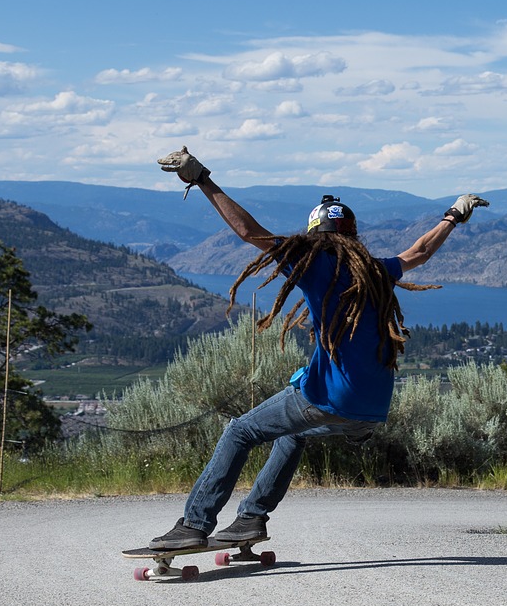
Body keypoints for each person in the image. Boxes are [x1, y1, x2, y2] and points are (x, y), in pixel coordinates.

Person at [148, 146, 488, 549]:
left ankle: (194, 524)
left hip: (330, 400)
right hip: (373, 409)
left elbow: (248, 231)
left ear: (313, 237)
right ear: (353, 236)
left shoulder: (312, 266)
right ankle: (251, 520)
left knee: (239, 432)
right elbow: (420, 252)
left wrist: (202, 179)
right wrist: (452, 215)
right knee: (292, 434)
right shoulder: (377, 270)